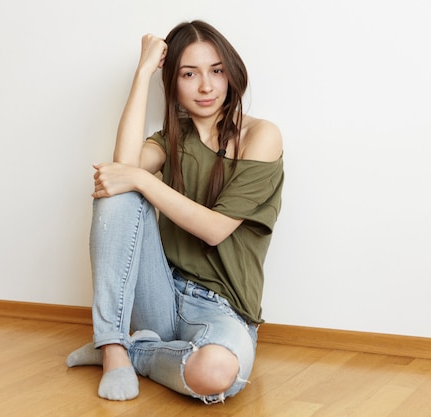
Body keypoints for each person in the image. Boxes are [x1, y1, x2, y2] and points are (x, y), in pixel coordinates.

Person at [66, 20, 284, 404]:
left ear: (231, 74)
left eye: (216, 71)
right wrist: (143, 71)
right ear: (173, 82)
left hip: (225, 310)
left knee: (215, 373)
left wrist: (145, 181)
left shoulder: (260, 136)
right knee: (116, 188)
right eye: (189, 73)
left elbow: (215, 229)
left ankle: (126, 351)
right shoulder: (171, 139)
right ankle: (114, 347)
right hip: (160, 295)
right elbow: (122, 168)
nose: (206, 86)